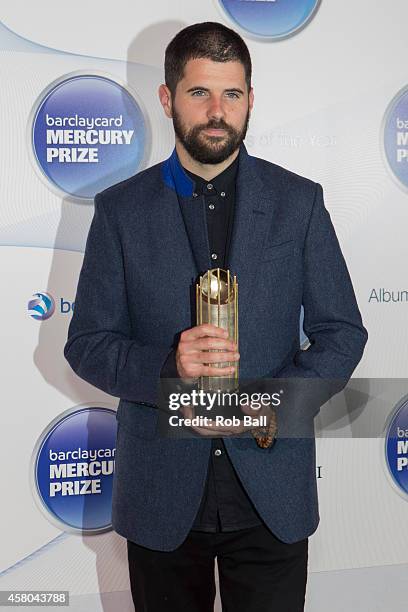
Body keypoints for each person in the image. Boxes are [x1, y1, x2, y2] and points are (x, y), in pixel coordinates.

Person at [64, 21, 368, 612]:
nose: (216, 112)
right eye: (199, 93)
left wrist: (273, 403)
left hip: (272, 493)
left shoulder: (298, 202)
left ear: (251, 99)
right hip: (161, 498)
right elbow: (88, 343)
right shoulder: (120, 211)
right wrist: (166, 364)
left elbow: (342, 333)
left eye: (232, 94)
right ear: (167, 98)